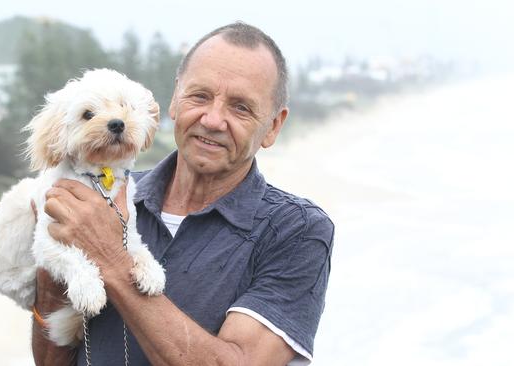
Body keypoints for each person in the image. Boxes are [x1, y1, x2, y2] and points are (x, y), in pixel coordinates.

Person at [32, 22, 334, 366]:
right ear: (175, 99)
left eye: (240, 107)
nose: (213, 119)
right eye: (200, 96)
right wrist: (51, 280)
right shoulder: (104, 197)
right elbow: (51, 360)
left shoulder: (296, 231)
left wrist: (111, 258)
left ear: (274, 126)